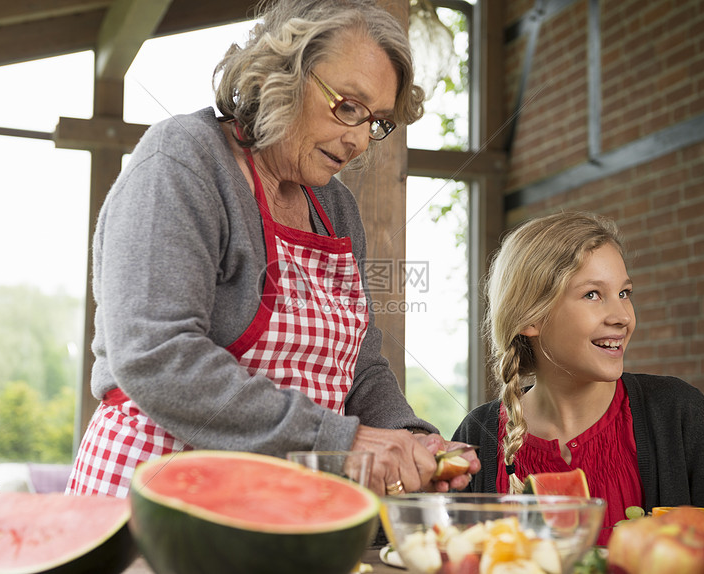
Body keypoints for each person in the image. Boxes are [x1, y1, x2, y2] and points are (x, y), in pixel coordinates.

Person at [65, 0, 479, 499]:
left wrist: (408, 440)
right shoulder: (183, 160)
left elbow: (361, 369)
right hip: (154, 495)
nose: (359, 141)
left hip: (275, 506)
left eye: (375, 122)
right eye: (348, 106)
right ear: (283, 73)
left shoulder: (336, 208)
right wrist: (341, 444)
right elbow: (157, 355)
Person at [453, 211, 704, 544]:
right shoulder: (478, 434)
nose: (622, 317)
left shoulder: (681, 413)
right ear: (530, 317)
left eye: (624, 293)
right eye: (592, 294)